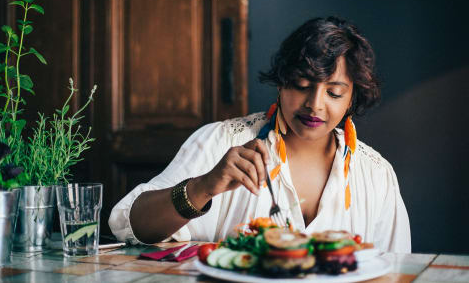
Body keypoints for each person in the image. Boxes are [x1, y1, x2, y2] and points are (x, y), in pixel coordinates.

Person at [109, 16, 411, 253]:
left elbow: (397, 270)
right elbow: (130, 225)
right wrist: (204, 186)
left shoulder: (376, 175)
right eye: (301, 85)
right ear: (280, 83)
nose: (314, 105)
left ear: (351, 98)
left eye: (334, 92)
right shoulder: (221, 141)